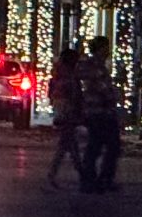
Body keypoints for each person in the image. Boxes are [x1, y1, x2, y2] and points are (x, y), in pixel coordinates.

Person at [78, 37, 123, 192]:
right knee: (102, 146)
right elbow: (101, 88)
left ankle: (98, 178)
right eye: (105, 48)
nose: (108, 51)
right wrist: (113, 97)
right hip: (98, 112)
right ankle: (96, 179)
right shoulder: (94, 68)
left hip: (100, 112)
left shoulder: (99, 67)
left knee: (103, 146)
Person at [44, 44, 84, 188]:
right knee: (69, 145)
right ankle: (82, 174)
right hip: (68, 113)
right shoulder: (69, 77)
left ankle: (79, 173)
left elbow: (52, 94)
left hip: (62, 112)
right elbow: (74, 95)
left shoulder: (58, 76)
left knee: (67, 145)